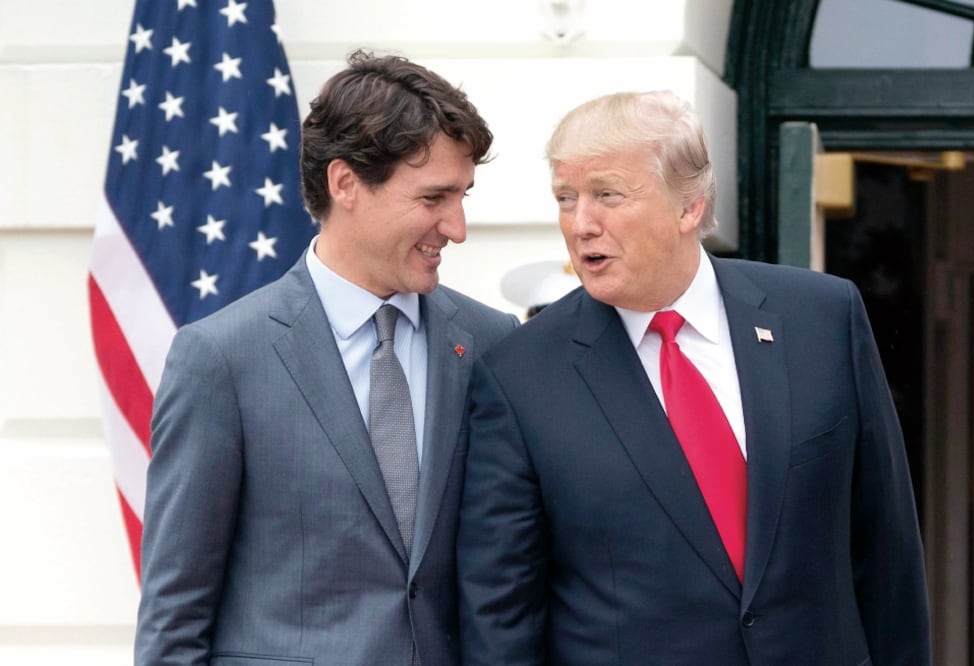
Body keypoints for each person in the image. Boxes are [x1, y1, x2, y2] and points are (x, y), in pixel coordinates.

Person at [457, 90, 930, 664]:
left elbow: (887, 550)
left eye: (607, 194)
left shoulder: (821, 317)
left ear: (689, 207)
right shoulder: (519, 376)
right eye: (565, 198)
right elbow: (501, 612)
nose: (580, 223)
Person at [134, 49, 518, 666]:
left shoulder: (491, 341)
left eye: (463, 195)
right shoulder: (221, 359)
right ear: (345, 184)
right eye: (434, 197)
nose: (458, 226)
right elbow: (175, 615)